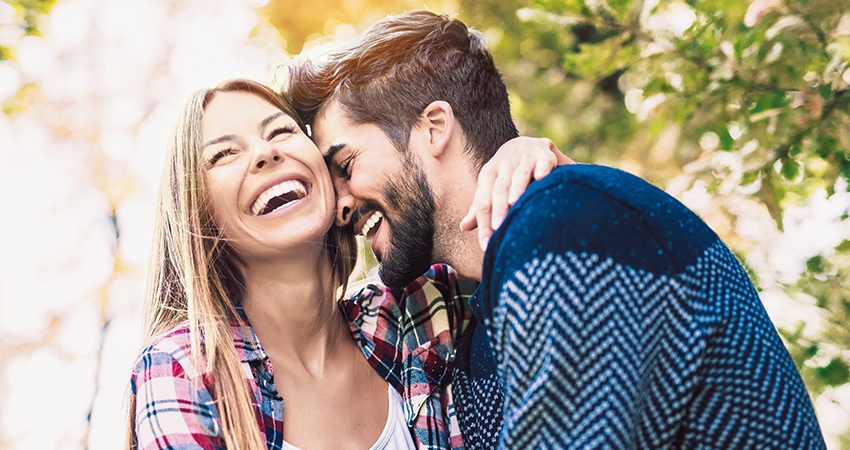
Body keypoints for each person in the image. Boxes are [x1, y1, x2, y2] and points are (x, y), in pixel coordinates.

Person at [285, 10, 827, 448]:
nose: (339, 206)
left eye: (346, 165)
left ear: (434, 128)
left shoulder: (567, 221)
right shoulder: (470, 322)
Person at [125, 78, 562, 449]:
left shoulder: (414, 311)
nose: (265, 153)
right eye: (224, 155)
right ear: (199, 214)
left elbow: (527, 253)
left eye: (281, 131)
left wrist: (527, 166)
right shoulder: (183, 370)